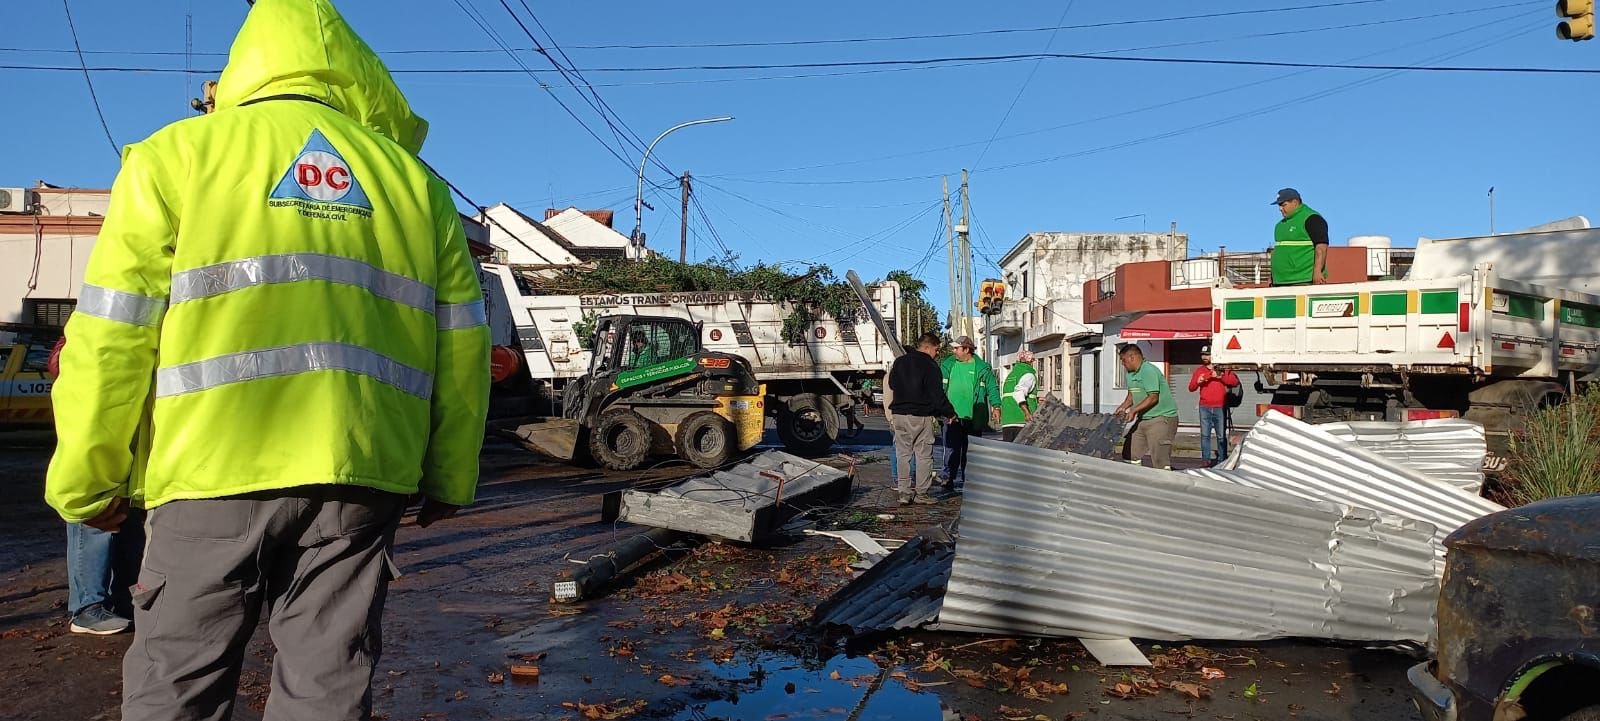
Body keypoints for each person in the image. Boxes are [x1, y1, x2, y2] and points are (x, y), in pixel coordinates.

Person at [43, 2, 491, 719]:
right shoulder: (418, 188)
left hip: (209, 469)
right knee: (327, 682)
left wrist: (87, 480)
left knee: (178, 681)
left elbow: (112, 336)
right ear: (356, 73)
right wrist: (449, 474)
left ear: (242, 69)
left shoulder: (176, 157)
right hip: (361, 475)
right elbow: (463, 350)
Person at [48, 335, 146, 635]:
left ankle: (121, 603)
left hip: (124, 451)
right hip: (96, 450)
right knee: (93, 527)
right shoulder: (88, 340)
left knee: (126, 530)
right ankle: (87, 608)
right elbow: (61, 365)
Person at [887, 334, 956, 505]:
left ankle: (904, 493)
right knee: (923, 455)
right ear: (928, 347)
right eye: (936, 349)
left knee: (903, 454)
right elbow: (937, 394)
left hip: (899, 415)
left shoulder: (900, 362)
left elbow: (892, 384)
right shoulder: (930, 366)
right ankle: (921, 494)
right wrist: (949, 413)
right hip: (921, 415)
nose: (937, 353)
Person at [940, 336, 1000, 490]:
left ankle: (970, 479)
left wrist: (996, 406)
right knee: (951, 449)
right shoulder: (948, 365)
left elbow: (992, 387)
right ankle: (948, 478)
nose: (953, 351)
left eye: (956, 348)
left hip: (974, 417)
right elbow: (939, 389)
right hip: (952, 417)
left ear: (966, 350)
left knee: (971, 451)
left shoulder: (982, 368)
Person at [1114, 344, 1179, 470]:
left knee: (1159, 458)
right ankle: (1135, 478)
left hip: (1162, 417)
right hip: (1144, 418)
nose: (1122, 364)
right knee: (1130, 452)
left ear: (1132, 357)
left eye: (1123, 360)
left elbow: (1153, 397)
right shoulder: (1130, 374)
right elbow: (1132, 394)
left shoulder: (1148, 370)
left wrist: (1133, 411)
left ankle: (1164, 484)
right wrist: (1123, 407)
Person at [1188, 345, 1240, 467]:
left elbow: (1234, 382)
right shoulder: (1200, 370)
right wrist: (1198, 381)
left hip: (1219, 406)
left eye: (1207, 354)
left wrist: (1221, 376)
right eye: (1203, 354)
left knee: (1221, 435)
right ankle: (1205, 460)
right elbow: (1191, 387)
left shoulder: (1223, 369)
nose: (1204, 357)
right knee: (1205, 435)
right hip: (1204, 407)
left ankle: (1222, 459)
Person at [1270, 187, 1330, 286]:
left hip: (1302, 280)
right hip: (1280, 282)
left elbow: (1321, 246)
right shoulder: (1279, 225)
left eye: (1283, 205)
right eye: (1279, 206)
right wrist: (1273, 276)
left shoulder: (1312, 218)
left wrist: (1317, 272)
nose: (1280, 209)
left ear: (1295, 202)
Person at [1000, 350, 1039, 442]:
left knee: (1010, 452)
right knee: (1023, 453)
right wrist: (1027, 413)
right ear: (1030, 361)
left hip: (1008, 420)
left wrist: (1036, 399)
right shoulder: (1028, 374)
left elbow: (1011, 393)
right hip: (1021, 420)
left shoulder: (1012, 374)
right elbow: (1018, 393)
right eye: (1033, 360)